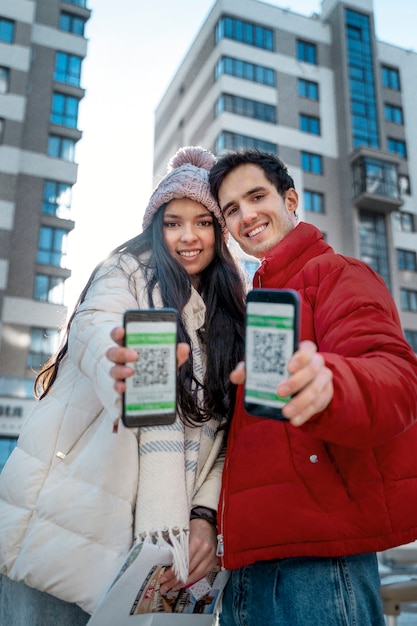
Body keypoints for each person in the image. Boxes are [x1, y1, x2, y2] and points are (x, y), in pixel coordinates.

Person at [0, 146, 246, 625]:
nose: (188, 237)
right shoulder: (124, 273)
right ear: (155, 227)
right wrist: (120, 363)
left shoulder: (226, 323)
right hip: (62, 527)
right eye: (173, 222)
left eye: (203, 222)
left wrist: (203, 518)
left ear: (219, 231)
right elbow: (96, 326)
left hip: (147, 563)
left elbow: (223, 443)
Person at [205, 148, 417, 625]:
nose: (247, 215)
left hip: (317, 565)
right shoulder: (254, 302)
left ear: (291, 199)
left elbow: (395, 377)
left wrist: (332, 383)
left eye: (257, 196)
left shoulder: (339, 273)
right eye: (232, 209)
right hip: (246, 564)